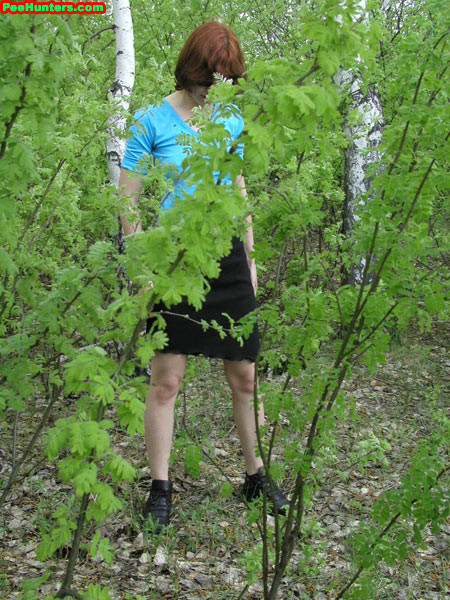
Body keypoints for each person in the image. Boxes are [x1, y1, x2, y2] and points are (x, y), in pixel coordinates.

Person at [118, 21, 289, 532]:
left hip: (227, 258)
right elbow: (127, 203)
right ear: (191, 65)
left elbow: (238, 192)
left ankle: (255, 477)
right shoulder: (150, 120)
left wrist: (252, 264)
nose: (213, 88)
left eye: (224, 79)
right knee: (166, 380)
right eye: (209, 76)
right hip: (173, 261)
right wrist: (144, 273)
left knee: (245, 375)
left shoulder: (230, 120)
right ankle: (160, 489)